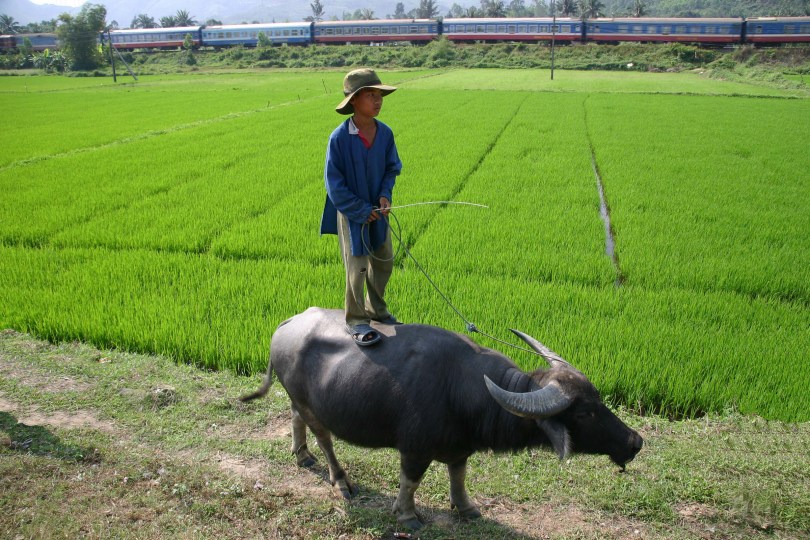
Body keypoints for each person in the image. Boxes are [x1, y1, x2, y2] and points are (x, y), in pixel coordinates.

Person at [320, 68, 403, 347]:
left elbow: (391, 168)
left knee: (384, 260)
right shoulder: (339, 138)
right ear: (354, 100)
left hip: (378, 211)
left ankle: (377, 310)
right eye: (370, 95)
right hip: (352, 213)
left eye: (379, 95)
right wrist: (359, 209)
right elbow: (334, 185)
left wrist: (384, 195)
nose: (378, 100)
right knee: (357, 267)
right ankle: (356, 319)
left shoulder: (385, 133)